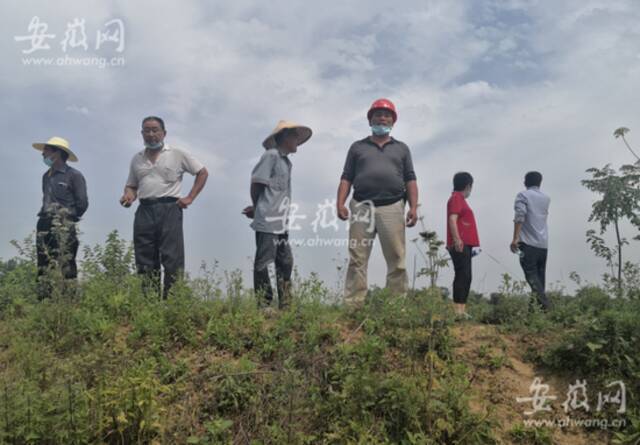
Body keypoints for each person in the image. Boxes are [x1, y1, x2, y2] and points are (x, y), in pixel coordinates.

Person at [337, 98, 418, 306]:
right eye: (378, 114)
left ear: (393, 121)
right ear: (370, 119)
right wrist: (340, 203)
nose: (382, 118)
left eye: (386, 115)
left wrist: (413, 208)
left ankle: (396, 307)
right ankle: (354, 305)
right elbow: (346, 177)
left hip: (392, 206)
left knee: (397, 259)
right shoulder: (357, 147)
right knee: (357, 258)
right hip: (361, 205)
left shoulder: (402, 149)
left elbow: (410, 179)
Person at [120, 116, 208, 298]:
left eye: (155, 130)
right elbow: (132, 185)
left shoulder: (177, 153)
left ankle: (172, 303)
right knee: (144, 257)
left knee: (172, 258)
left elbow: (202, 172)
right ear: (141, 133)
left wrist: (190, 197)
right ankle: (149, 302)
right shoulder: (137, 159)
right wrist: (129, 195)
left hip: (170, 208)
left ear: (164, 133)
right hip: (144, 210)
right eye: (146, 130)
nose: (151, 134)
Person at [242, 120, 312, 309]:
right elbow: (257, 183)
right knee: (264, 261)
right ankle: (264, 304)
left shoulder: (286, 162)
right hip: (267, 218)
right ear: (285, 137)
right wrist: (257, 208)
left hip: (281, 221)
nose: (297, 141)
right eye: (294, 137)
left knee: (285, 261)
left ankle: (286, 305)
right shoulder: (271, 156)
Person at [32, 136, 88, 299]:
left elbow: (82, 203)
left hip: (64, 223)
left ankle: (69, 301)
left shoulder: (74, 175)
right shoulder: (46, 176)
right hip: (44, 222)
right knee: (43, 262)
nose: (43, 153)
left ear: (57, 153)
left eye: (47, 150)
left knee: (66, 262)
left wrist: (68, 219)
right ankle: (44, 301)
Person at [510, 171, 551, 311]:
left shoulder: (523, 195)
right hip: (543, 244)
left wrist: (515, 238)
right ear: (540, 182)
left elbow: (520, 216)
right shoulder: (546, 198)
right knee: (540, 279)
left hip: (528, 244)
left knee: (531, 276)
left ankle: (546, 306)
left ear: (525, 182)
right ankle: (535, 313)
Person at [446, 172, 479, 319]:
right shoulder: (456, 198)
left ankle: (461, 310)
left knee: (466, 276)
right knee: (462, 275)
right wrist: (457, 239)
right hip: (459, 244)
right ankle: (457, 311)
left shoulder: (459, 199)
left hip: (466, 244)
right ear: (468, 186)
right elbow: (452, 219)